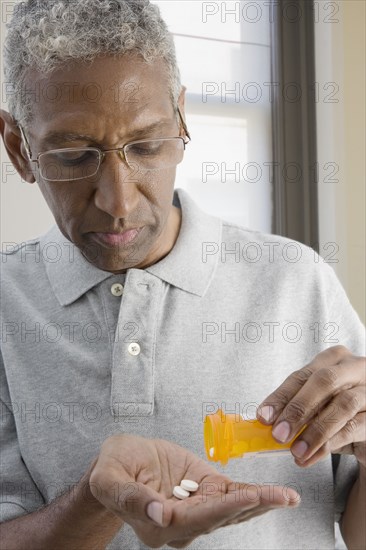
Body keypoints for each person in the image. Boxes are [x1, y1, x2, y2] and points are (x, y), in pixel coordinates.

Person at [0, 1, 364, 548]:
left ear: (180, 119)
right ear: (18, 149)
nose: (119, 201)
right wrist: (96, 503)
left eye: (146, 146)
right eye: (74, 156)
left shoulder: (296, 281)